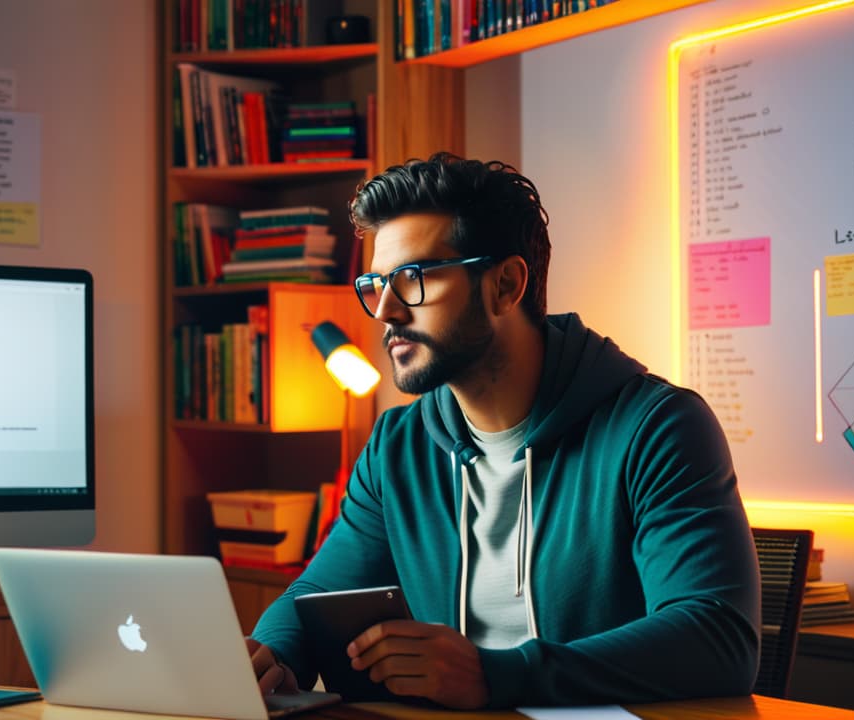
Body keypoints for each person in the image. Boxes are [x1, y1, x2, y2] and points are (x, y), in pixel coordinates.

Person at [246, 153, 761, 709]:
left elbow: (718, 636)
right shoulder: (398, 446)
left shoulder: (657, 428)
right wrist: (272, 657)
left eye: (413, 278)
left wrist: (497, 676)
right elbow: (318, 594)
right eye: (376, 283)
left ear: (505, 285)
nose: (387, 310)